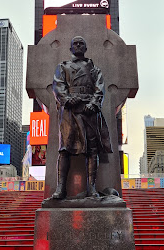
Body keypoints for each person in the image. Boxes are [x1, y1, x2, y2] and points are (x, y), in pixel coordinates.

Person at [52, 36, 112, 199]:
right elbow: (58, 86)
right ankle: (60, 188)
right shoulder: (63, 67)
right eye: (75, 44)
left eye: (81, 44)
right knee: (65, 149)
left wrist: (93, 104)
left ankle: (91, 188)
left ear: (86, 48)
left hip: (88, 111)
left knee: (92, 150)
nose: (78, 46)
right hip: (70, 112)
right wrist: (68, 99)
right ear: (71, 48)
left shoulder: (94, 69)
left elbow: (100, 89)